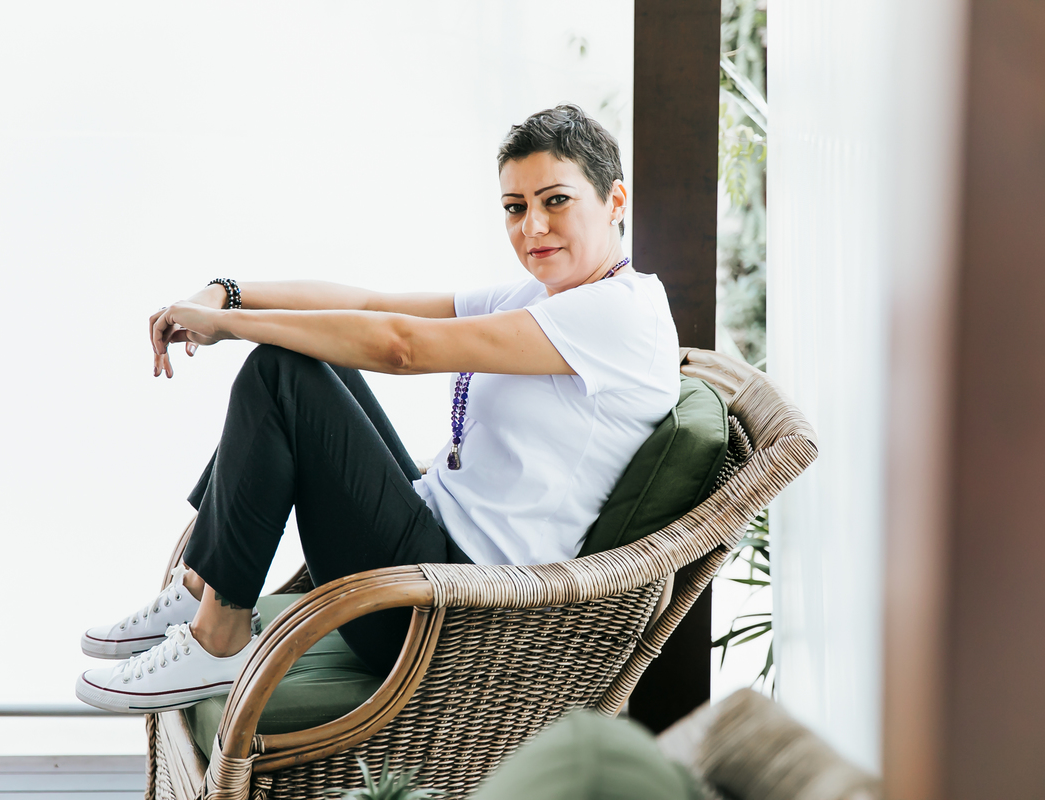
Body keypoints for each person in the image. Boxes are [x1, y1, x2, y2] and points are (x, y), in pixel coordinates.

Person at [75, 104, 681, 714]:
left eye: (556, 201)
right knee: (310, 360)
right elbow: (372, 304)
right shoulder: (545, 295)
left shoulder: (620, 313)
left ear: (614, 201)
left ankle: (219, 637)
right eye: (515, 207)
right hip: (430, 554)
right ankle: (205, 583)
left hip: (450, 613)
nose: (533, 227)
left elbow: (401, 347)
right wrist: (228, 291)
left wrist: (230, 325)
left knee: (281, 373)